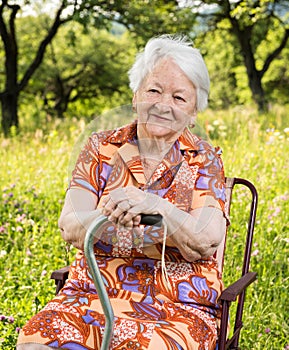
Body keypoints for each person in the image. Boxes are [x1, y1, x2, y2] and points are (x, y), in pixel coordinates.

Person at [17, 34, 228, 350]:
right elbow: (71, 226)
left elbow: (204, 240)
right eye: (153, 91)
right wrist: (111, 212)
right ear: (135, 97)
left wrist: (155, 208)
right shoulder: (100, 148)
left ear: (194, 112)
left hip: (176, 307)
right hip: (91, 295)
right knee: (35, 343)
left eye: (179, 98)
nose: (162, 105)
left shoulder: (205, 160)